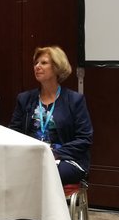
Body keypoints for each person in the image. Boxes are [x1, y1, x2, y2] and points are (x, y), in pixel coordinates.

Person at [9, 46, 93, 185]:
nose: (37, 67)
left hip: (66, 159)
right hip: (31, 156)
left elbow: (85, 138)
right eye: (36, 63)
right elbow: (14, 132)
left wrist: (53, 153)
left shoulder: (74, 100)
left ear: (57, 67)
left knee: (46, 172)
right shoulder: (25, 99)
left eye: (43, 63)